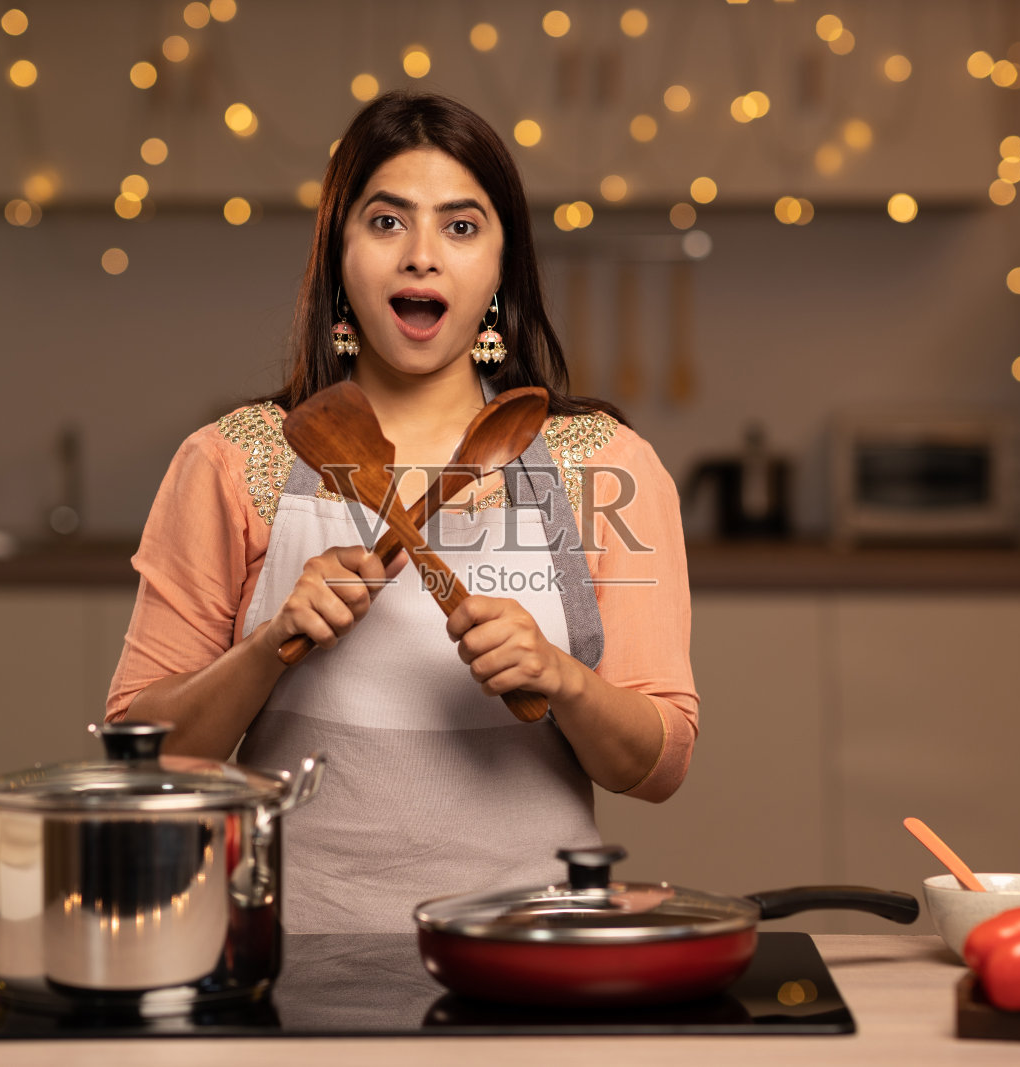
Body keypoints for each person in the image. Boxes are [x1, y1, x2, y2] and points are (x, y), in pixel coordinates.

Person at [106, 91, 697, 933]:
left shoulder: (604, 466)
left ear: (501, 268)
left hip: (529, 947)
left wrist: (563, 679)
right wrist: (269, 644)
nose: (422, 256)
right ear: (339, 255)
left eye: (462, 227)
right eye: (387, 222)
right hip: (290, 943)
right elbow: (140, 755)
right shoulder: (235, 461)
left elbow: (661, 760)